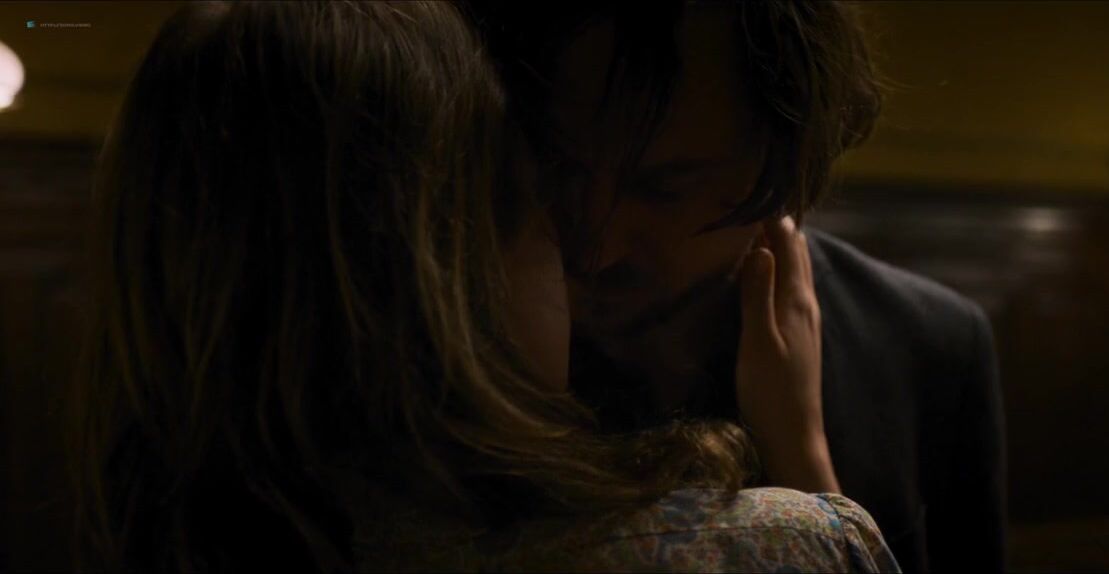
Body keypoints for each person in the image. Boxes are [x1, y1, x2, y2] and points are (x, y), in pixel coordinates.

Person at [66, 1, 899, 572]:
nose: (590, 247)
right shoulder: (778, 543)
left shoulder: (164, 529)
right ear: (434, 267)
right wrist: (812, 482)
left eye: (665, 187)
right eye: (548, 189)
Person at [465, 2, 1008, 572]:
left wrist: (808, 474)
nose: (594, 245)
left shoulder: (929, 343)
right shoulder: (462, 326)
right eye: (562, 168)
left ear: (787, 169)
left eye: (665, 190)